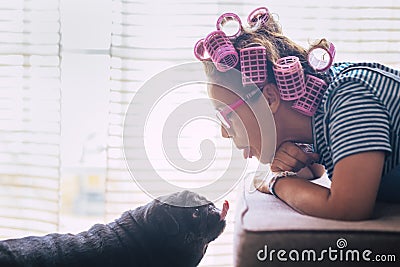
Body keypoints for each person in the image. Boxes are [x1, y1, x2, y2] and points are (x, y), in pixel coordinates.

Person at [197, 7, 400, 221]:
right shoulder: (322, 114)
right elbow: (316, 170)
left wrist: (278, 184)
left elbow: (348, 207)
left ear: (269, 100)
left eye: (225, 116)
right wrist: (298, 164)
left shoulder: (350, 97)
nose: (224, 133)